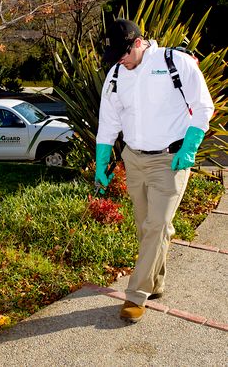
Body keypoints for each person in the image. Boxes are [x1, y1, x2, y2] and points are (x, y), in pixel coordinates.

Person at [95, 19, 214, 323]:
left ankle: (136, 295)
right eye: (115, 57)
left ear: (138, 43)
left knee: (157, 225)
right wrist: (101, 161)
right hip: (134, 159)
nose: (120, 61)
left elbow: (203, 107)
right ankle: (156, 281)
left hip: (170, 159)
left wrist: (189, 148)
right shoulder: (117, 73)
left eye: (124, 54)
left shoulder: (177, 62)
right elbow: (109, 121)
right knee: (145, 226)